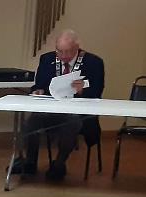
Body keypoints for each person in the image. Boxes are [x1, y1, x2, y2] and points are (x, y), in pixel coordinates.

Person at [13, 29, 105, 181]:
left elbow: (97, 92)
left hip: (77, 114)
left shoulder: (93, 62)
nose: (62, 56)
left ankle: (59, 164)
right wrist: (38, 91)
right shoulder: (47, 59)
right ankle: (30, 162)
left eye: (67, 52)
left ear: (77, 48)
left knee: (71, 123)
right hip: (49, 111)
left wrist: (83, 90)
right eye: (59, 51)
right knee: (31, 123)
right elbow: (38, 85)